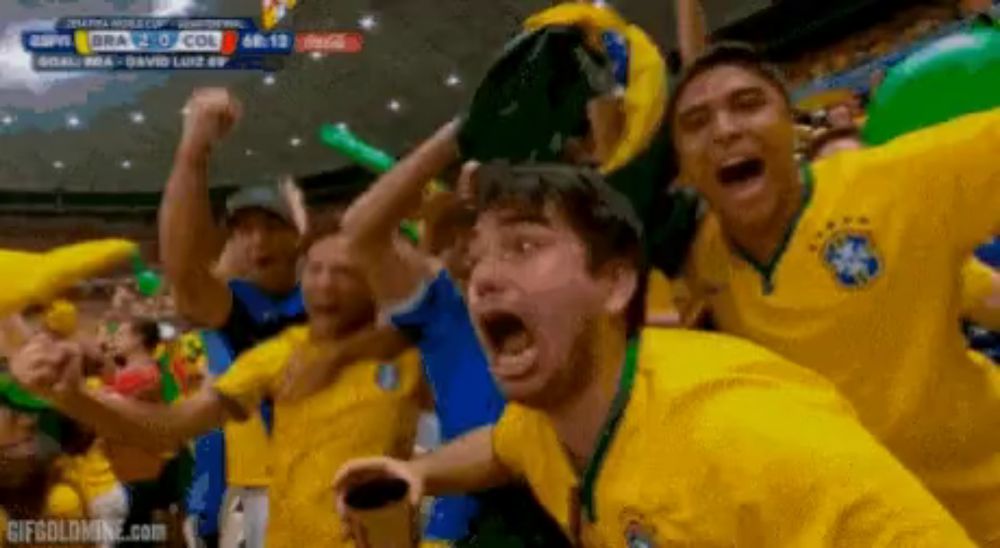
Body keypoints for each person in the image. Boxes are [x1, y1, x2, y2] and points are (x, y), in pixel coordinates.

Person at [334, 163, 973, 546]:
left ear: (616, 283)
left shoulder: (754, 438)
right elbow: (501, 448)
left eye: (524, 247)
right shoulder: (549, 421)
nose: (483, 279)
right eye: (477, 258)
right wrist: (421, 474)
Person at [668, 43, 1000, 544]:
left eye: (748, 104)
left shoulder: (892, 183)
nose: (725, 130)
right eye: (696, 122)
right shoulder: (696, 262)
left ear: (790, 123)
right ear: (683, 169)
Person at [10, 219, 424, 547]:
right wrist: (72, 395)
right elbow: (172, 424)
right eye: (315, 269)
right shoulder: (276, 356)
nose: (325, 284)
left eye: (345, 271)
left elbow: (477, 438)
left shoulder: (416, 351)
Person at [341, 123, 569, 545]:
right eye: (468, 232)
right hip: (468, 503)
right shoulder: (439, 305)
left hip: (563, 490)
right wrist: (460, 132)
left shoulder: (558, 293)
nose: (476, 247)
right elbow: (359, 231)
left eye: (510, 234)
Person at [159, 88, 306, 547]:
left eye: (271, 226)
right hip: (272, 490)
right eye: (243, 229)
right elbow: (184, 271)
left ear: (299, 234)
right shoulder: (242, 308)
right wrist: (194, 153)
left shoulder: (338, 293)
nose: (256, 241)